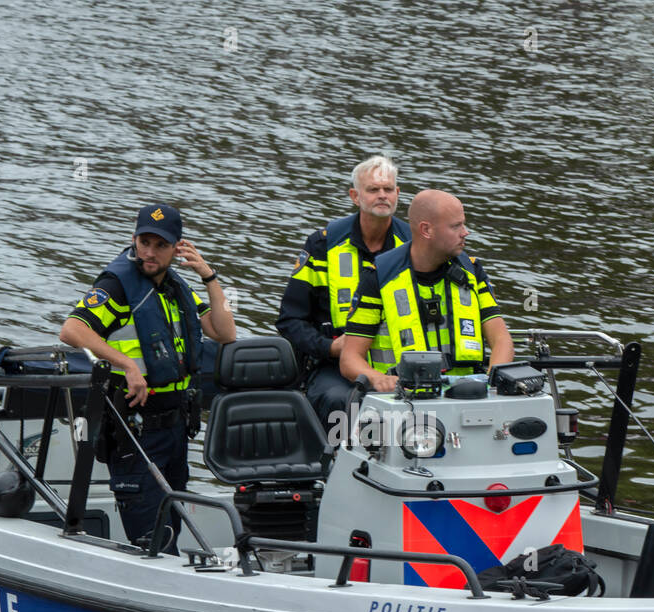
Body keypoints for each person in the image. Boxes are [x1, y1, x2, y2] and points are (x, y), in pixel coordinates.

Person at [59, 203, 236, 550]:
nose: (150, 252)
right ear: (134, 239)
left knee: (171, 527)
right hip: (136, 429)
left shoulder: (175, 287)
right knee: (150, 537)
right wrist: (127, 364)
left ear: (178, 248)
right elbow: (72, 329)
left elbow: (224, 332)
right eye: (144, 242)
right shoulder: (118, 286)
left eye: (160, 245)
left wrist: (209, 277)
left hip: (175, 429)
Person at [276, 156, 410, 430]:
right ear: (355, 196)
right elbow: (290, 320)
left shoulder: (413, 247)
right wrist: (329, 347)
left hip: (400, 364)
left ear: (398, 194)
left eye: (388, 189)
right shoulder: (323, 245)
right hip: (334, 367)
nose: (382, 195)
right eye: (373, 190)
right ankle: (335, 467)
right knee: (343, 401)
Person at [340, 189, 513, 392]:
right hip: (402, 400)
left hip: (467, 396)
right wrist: (377, 378)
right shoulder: (379, 277)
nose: (465, 232)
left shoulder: (472, 271)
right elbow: (349, 359)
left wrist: (491, 383)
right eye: (456, 226)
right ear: (426, 230)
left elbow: (502, 340)